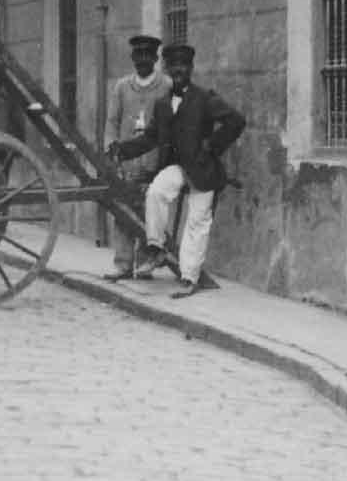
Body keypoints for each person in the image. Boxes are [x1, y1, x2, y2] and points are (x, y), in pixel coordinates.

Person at [111, 42, 245, 299]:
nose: (178, 70)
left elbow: (236, 121)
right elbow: (150, 138)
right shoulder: (162, 104)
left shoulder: (205, 98)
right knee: (156, 192)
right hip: (179, 167)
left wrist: (212, 146)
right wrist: (122, 150)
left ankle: (189, 278)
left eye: (183, 65)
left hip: (204, 171)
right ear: (167, 68)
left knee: (197, 221)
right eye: (173, 66)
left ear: (191, 68)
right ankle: (156, 247)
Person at [102, 33, 170, 281]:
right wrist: (112, 151)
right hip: (127, 160)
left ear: (155, 58)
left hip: (153, 160)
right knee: (122, 212)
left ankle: (144, 264)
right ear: (132, 58)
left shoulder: (166, 85)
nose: (142, 60)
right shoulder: (121, 87)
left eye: (147, 55)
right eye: (138, 55)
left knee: (148, 212)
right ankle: (122, 263)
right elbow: (111, 122)